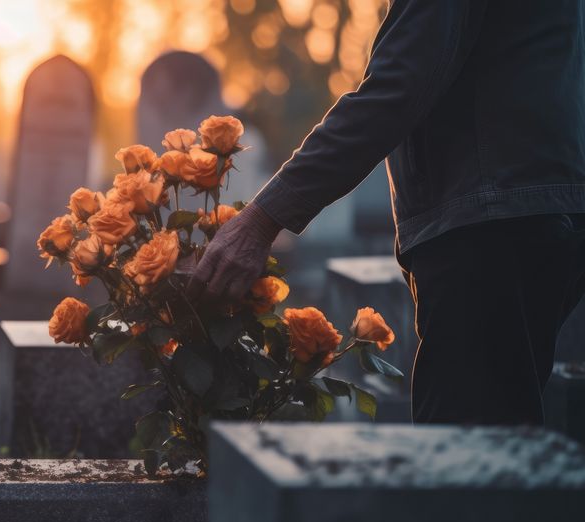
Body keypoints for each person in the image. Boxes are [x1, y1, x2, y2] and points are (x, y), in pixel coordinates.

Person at [188, 0, 585, 425]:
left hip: (488, 220)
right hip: (524, 205)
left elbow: (400, 85)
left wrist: (262, 218)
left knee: (464, 456)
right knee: (500, 444)